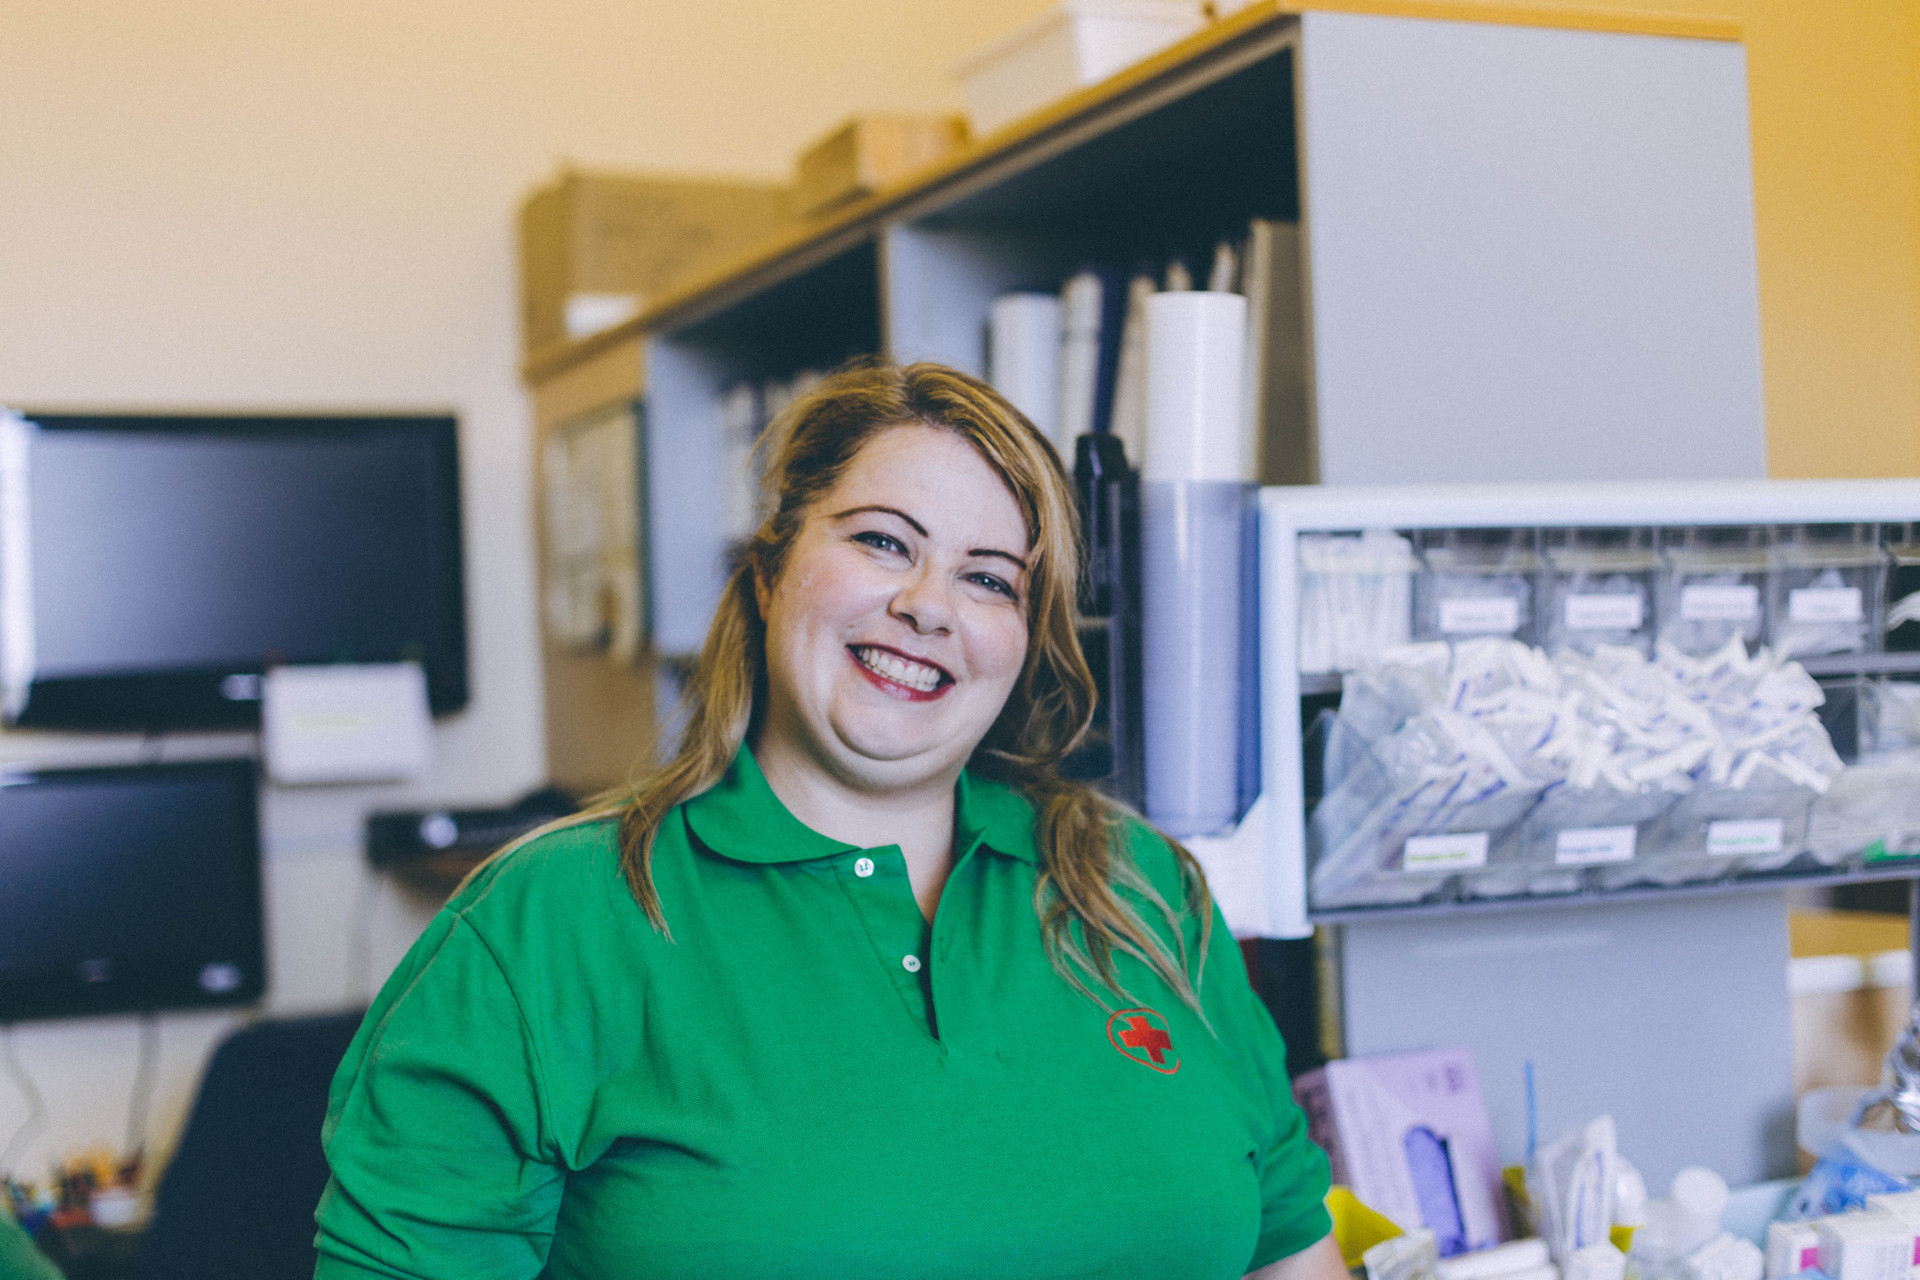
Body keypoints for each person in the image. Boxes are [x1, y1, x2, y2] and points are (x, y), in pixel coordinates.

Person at [313, 360, 1341, 1279]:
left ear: (1027, 641)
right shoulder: (553, 920)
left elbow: (1290, 1248)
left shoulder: (1140, 887)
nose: (928, 605)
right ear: (768, 573)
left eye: (989, 578)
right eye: (884, 542)